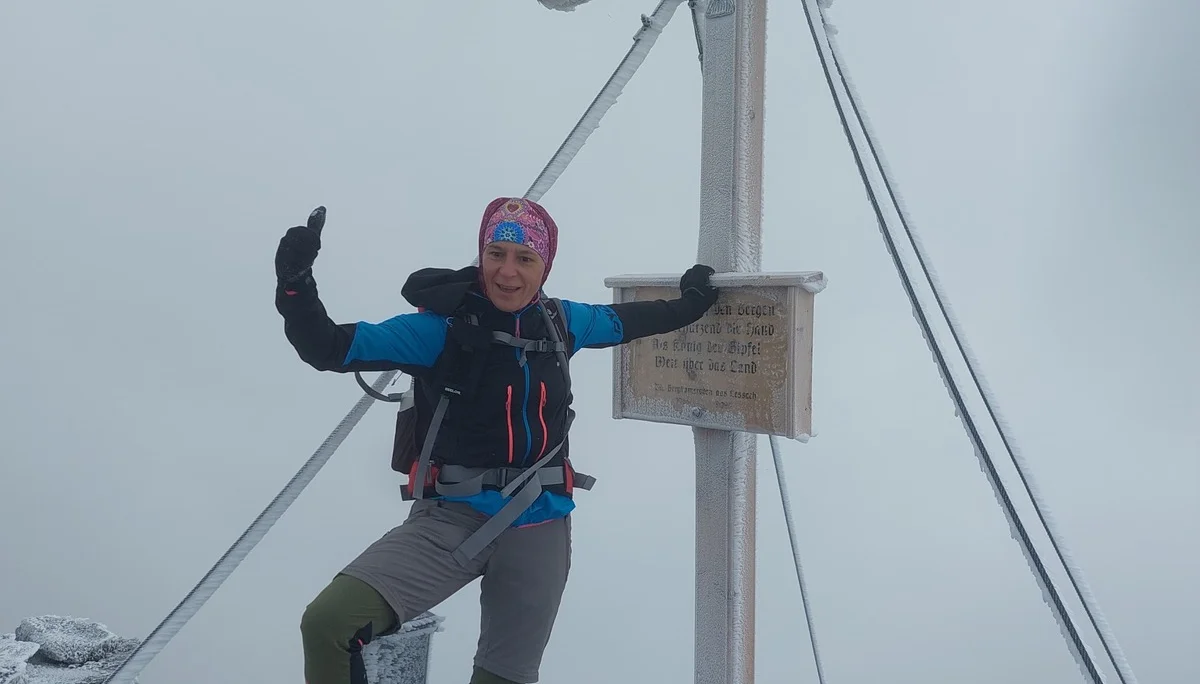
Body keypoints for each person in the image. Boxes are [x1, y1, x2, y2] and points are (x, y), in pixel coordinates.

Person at [274, 196, 719, 684]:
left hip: (540, 524)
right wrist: (296, 286)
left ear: (544, 267)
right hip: (449, 520)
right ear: (481, 255)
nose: (508, 272)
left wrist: (693, 302)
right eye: (496, 254)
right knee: (328, 624)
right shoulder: (437, 331)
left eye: (525, 258)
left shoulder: (562, 322)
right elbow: (330, 348)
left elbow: (631, 322)